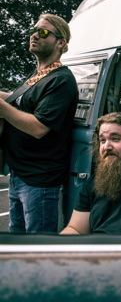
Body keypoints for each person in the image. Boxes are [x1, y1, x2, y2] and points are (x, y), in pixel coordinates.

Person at [0, 13, 78, 233]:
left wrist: (1, 107)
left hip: (39, 180)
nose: (34, 35)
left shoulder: (61, 80)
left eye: (43, 32)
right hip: (19, 174)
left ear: (60, 42)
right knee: (17, 239)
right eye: (33, 30)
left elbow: (39, 127)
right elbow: (19, 100)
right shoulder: (38, 75)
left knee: (38, 243)